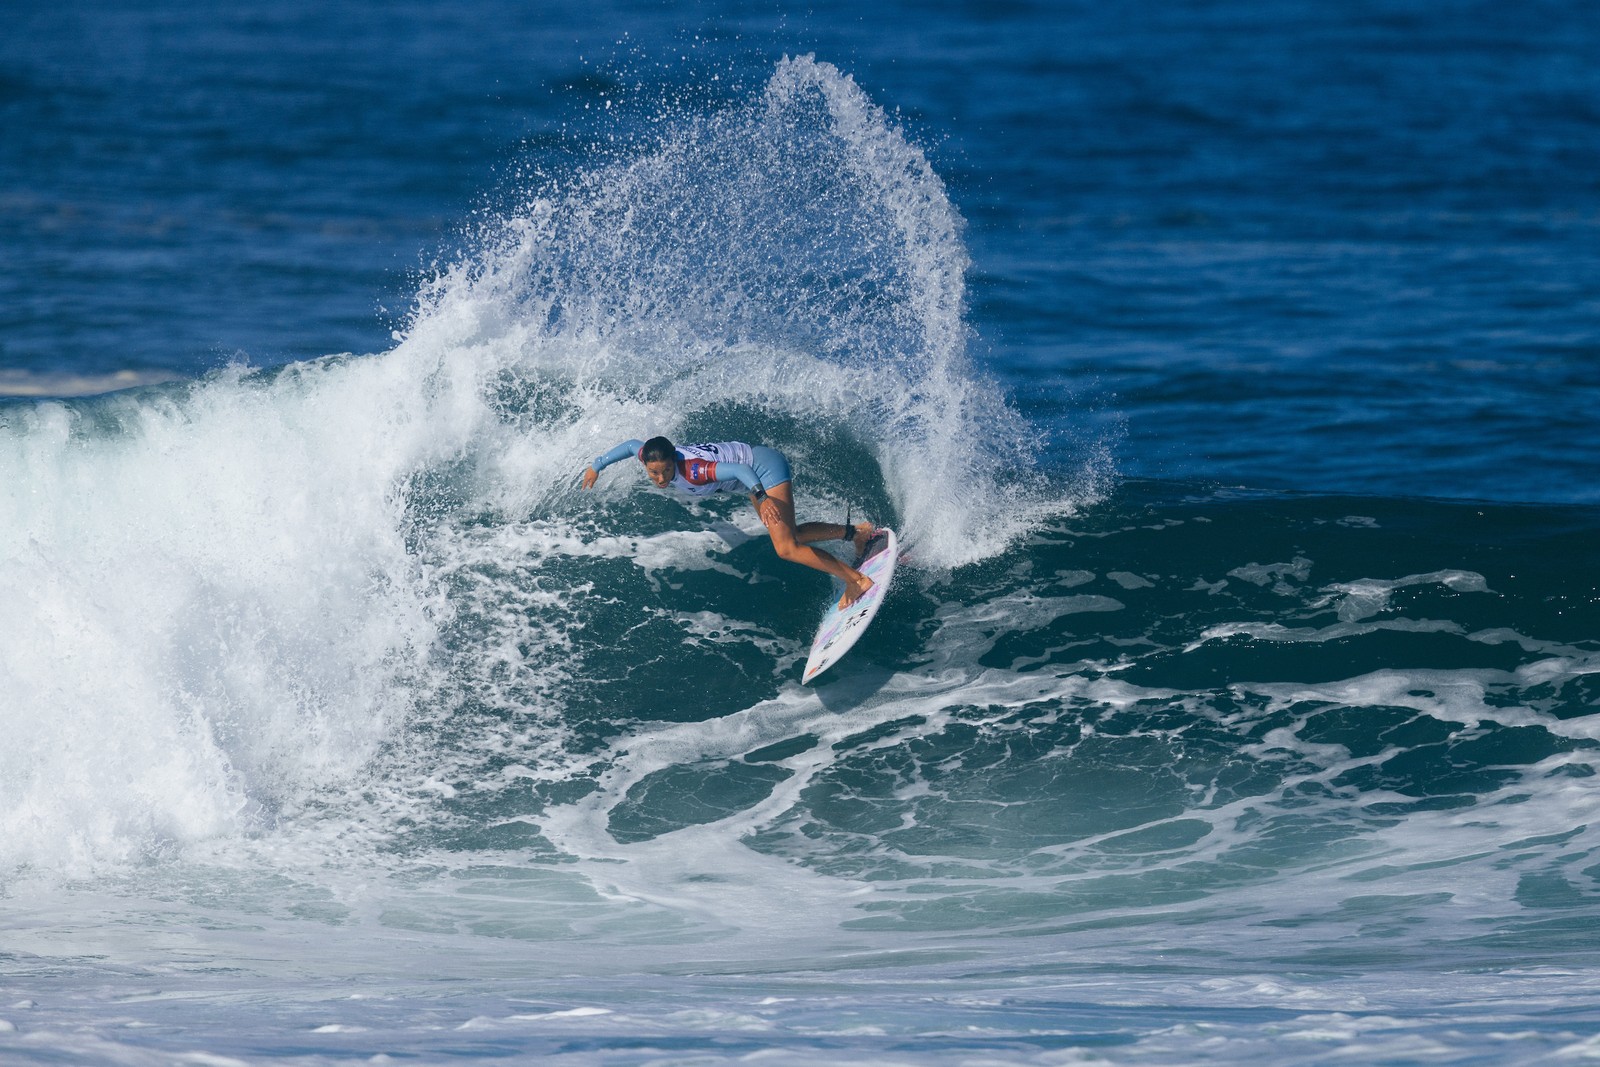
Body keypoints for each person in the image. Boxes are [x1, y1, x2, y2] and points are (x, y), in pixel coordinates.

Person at [581, 436, 876, 608]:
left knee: (786, 548)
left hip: (760, 469)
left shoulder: (694, 471)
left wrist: (763, 497)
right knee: (790, 534)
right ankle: (856, 533)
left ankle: (857, 581)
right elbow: (632, 445)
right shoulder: (650, 455)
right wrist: (597, 465)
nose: (661, 479)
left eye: (667, 471)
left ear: (674, 461)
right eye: (654, 472)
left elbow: (738, 468)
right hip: (749, 474)